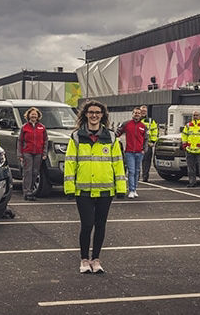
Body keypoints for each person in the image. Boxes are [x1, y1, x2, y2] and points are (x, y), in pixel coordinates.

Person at [64, 100, 126, 273]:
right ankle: (84, 259)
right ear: (85, 114)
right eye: (91, 112)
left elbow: (118, 163)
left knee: (100, 225)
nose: (94, 115)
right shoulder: (76, 137)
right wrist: (69, 187)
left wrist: (121, 187)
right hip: (83, 190)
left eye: (97, 113)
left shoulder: (111, 137)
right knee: (87, 224)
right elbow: (70, 163)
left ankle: (96, 259)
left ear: (102, 115)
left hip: (106, 190)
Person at [17, 107, 48, 201]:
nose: (33, 115)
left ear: (38, 116)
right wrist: (20, 155)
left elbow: (46, 140)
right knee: (27, 172)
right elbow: (20, 141)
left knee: (35, 172)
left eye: (35, 114)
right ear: (28, 115)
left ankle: (31, 190)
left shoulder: (42, 127)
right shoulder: (24, 127)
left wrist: (44, 152)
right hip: (27, 153)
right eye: (32, 114)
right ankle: (27, 192)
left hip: (38, 153)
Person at [116, 107, 147, 199]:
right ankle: (131, 190)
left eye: (138, 113)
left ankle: (135, 189)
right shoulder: (126, 124)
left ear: (141, 115)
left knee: (137, 171)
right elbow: (118, 132)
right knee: (131, 171)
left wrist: (144, 149)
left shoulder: (143, 126)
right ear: (132, 114)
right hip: (129, 152)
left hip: (139, 152)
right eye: (135, 113)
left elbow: (146, 139)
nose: (137, 114)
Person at [181, 110, 200, 188]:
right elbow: (184, 135)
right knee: (190, 167)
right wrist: (184, 145)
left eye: (196, 115)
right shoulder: (188, 125)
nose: (195, 117)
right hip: (189, 149)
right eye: (194, 115)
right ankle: (192, 182)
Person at [139, 105, 158, 182]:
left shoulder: (150, 121)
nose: (143, 112)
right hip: (137, 144)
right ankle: (136, 176)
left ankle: (145, 177)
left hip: (147, 144)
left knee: (146, 161)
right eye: (142, 111)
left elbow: (155, 131)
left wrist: (153, 141)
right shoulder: (136, 120)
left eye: (144, 111)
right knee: (136, 160)